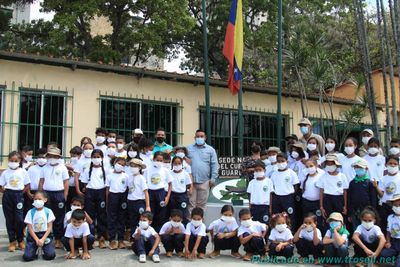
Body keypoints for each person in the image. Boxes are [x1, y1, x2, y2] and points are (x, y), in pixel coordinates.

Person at [38, 147, 69, 249]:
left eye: (54, 156)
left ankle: (58, 239)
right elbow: (41, 181)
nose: (52, 158)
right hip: (47, 194)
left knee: (59, 217)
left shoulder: (63, 167)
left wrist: (64, 195)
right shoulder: (44, 168)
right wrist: (40, 194)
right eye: (50, 156)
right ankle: (45, 238)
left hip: (59, 193)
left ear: (58, 157)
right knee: (46, 216)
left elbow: (66, 182)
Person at [0, 151, 30, 252]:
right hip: (8, 195)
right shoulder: (5, 172)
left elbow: (27, 185)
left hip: (18, 195)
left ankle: (20, 240)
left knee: (19, 219)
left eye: (15, 161)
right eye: (11, 160)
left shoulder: (23, 172)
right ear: (8, 161)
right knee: (9, 219)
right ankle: (12, 241)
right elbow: (1, 185)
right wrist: (5, 191)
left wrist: (21, 193)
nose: (13, 162)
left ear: (20, 161)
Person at [79, 149, 108, 248]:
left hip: (101, 192)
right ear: (91, 158)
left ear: (102, 158)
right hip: (90, 192)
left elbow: (107, 184)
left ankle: (101, 237)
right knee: (90, 215)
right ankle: (90, 236)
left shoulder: (105, 170)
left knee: (102, 215)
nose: (96, 159)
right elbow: (84, 183)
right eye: (94, 157)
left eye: (98, 157)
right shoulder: (87, 170)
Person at [187, 129, 218, 213]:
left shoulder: (210, 150)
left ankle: (200, 225)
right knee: (190, 205)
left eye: (201, 136)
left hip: (204, 181)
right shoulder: (188, 148)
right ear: (194, 137)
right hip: (191, 182)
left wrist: (213, 178)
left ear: (205, 138)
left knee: (201, 206)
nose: (199, 138)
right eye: (197, 136)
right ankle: (191, 225)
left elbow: (214, 165)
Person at [23, 191, 56, 261]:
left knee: (50, 255)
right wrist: (37, 240)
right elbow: (30, 228)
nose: (37, 201)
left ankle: (45, 250)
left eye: (40, 199)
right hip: (33, 235)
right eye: (35, 199)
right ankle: (34, 251)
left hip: (45, 235)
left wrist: (43, 239)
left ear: (45, 200)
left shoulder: (48, 211)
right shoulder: (30, 212)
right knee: (27, 257)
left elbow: (50, 227)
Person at [145, 151, 173, 231]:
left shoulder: (165, 170)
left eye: (161, 160)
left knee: (161, 214)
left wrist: (167, 197)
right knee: (150, 214)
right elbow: (145, 183)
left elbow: (170, 184)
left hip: (161, 193)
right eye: (157, 160)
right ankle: (150, 233)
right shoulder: (148, 170)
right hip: (150, 192)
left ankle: (159, 234)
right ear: (153, 159)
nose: (159, 162)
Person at [106, 157, 129, 250]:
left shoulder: (126, 176)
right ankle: (112, 240)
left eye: (123, 165)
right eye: (119, 163)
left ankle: (121, 239)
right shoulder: (109, 175)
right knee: (112, 218)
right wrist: (107, 200)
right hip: (113, 196)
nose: (120, 166)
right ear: (115, 163)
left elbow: (127, 188)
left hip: (122, 197)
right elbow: (107, 189)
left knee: (121, 218)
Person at [317, 154, 348, 221]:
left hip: (339, 199)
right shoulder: (323, 176)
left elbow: (345, 191)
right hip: (327, 199)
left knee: (340, 219)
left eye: (331, 164)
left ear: (336, 165)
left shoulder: (342, 176)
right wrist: (321, 206)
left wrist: (345, 206)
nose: (330, 166)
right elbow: (321, 191)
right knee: (328, 219)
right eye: (328, 164)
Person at [347, 159, 377, 231]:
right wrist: (350, 213)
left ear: (366, 169)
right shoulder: (352, 183)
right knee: (356, 228)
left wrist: (373, 211)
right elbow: (349, 198)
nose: (358, 169)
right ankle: (357, 241)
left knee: (367, 227)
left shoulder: (369, 183)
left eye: (361, 168)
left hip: (367, 210)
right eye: (356, 167)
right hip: (354, 210)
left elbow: (373, 198)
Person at [270, 153, 299, 225]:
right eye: (278, 161)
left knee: (290, 216)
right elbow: (272, 186)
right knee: (277, 216)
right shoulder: (274, 174)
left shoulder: (291, 173)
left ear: (287, 161)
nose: (280, 163)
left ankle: (291, 231)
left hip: (288, 197)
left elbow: (296, 185)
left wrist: (292, 194)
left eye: (282, 161)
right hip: (277, 198)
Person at [374, 156, 400, 233]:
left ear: (398, 165)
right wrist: (376, 187)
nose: (392, 165)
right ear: (386, 165)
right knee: (385, 226)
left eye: (395, 164)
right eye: (390, 163)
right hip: (386, 206)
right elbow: (381, 195)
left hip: (397, 206)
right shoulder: (383, 179)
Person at [127, 158, 151, 237]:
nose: (133, 168)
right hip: (130, 201)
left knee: (141, 221)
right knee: (132, 221)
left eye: (135, 166)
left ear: (139, 168)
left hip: (139, 201)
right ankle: (134, 238)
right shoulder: (129, 177)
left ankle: (143, 237)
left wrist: (147, 206)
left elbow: (146, 192)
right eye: (131, 166)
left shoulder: (141, 178)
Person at [247, 160, 274, 225]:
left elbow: (270, 195)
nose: (258, 172)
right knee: (254, 224)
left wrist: (270, 208)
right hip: (254, 207)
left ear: (264, 170)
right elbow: (250, 196)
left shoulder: (269, 181)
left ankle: (263, 235)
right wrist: (250, 208)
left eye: (260, 170)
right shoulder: (252, 182)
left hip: (265, 207)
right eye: (256, 170)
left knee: (265, 224)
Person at [301, 159, 325, 229]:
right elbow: (302, 189)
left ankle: (318, 236)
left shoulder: (320, 177)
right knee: (307, 220)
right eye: (307, 167)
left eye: (311, 166)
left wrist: (321, 204)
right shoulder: (305, 177)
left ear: (316, 166)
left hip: (317, 203)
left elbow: (322, 191)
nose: (309, 168)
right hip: (306, 202)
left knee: (318, 220)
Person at [25, 148, 47, 218]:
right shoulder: (31, 168)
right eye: (39, 157)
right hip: (32, 193)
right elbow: (27, 182)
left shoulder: (48, 168)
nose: (41, 159)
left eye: (43, 157)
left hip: (44, 193)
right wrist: (28, 192)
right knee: (31, 211)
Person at [169, 156, 192, 222]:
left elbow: (188, 185)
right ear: (172, 164)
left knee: (183, 212)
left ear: (182, 164)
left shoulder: (185, 173)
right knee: (172, 211)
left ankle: (183, 227)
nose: (177, 165)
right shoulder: (170, 173)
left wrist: (185, 192)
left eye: (179, 163)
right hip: (172, 195)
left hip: (182, 196)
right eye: (175, 163)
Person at [66, 146, 82, 211]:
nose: (72, 158)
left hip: (76, 187)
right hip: (69, 186)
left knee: (76, 203)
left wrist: (72, 169)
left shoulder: (81, 163)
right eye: (71, 156)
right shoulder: (70, 163)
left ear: (80, 155)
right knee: (68, 204)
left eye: (74, 156)